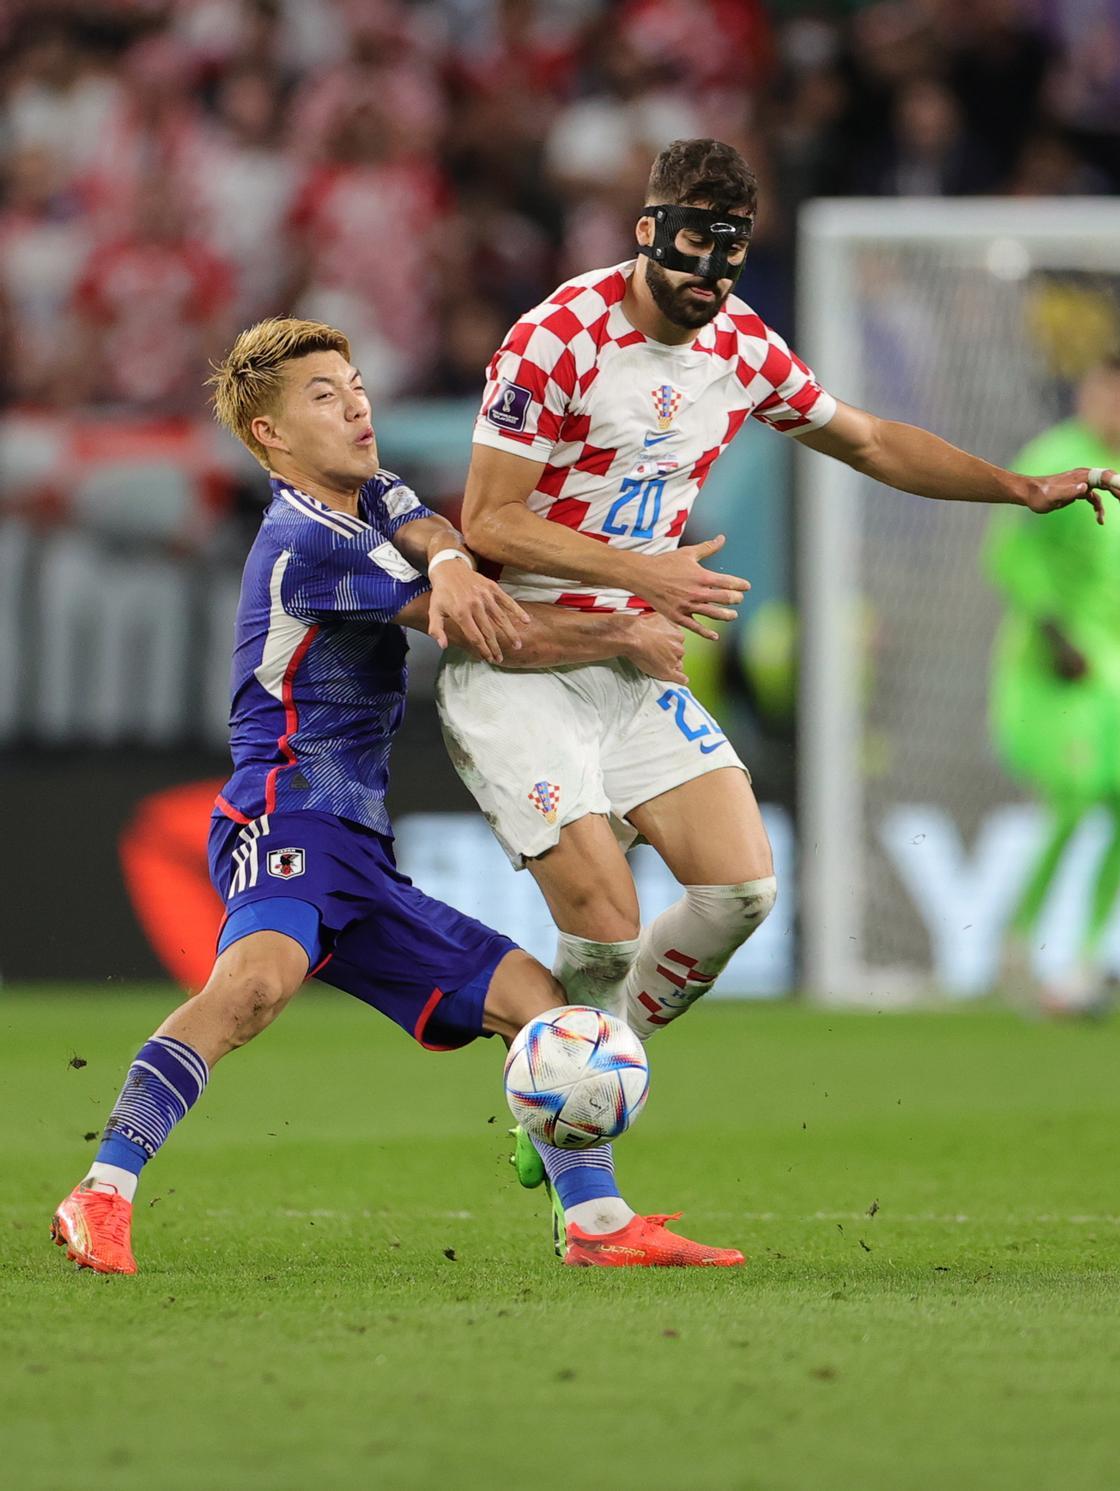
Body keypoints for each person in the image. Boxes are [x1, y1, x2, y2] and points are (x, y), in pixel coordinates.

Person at [440, 137, 1120, 1239]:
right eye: (688, 243)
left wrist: (1019, 488)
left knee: (743, 892)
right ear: (645, 230)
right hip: (524, 655)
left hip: (627, 657)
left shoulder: (740, 345)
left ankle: (575, 1075)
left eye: (728, 252)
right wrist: (643, 575)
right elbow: (489, 520)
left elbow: (865, 438)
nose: (706, 272)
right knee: (607, 924)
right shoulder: (555, 340)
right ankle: (589, 1185)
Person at [51, 316, 743, 1275]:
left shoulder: (365, 494)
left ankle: (594, 1224)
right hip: (282, 814)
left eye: (357, 383)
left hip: (359, 853)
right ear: (271, 436)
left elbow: (419, 519)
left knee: (545, 1011)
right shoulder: (308, 542)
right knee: (253, 986)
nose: (357, 405)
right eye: (324, 397)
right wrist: (627, 628)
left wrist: (451, 550)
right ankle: (101, 1193)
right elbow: (490, 633)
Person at [984, 358, 1120, 1013]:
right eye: (1114, 398)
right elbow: (1008, 553)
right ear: (1090, 396)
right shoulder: (1056, 458)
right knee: (1074, 799)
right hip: (1055, 661)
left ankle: (1086, 963)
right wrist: (1056, 632)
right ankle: (1019, 941)